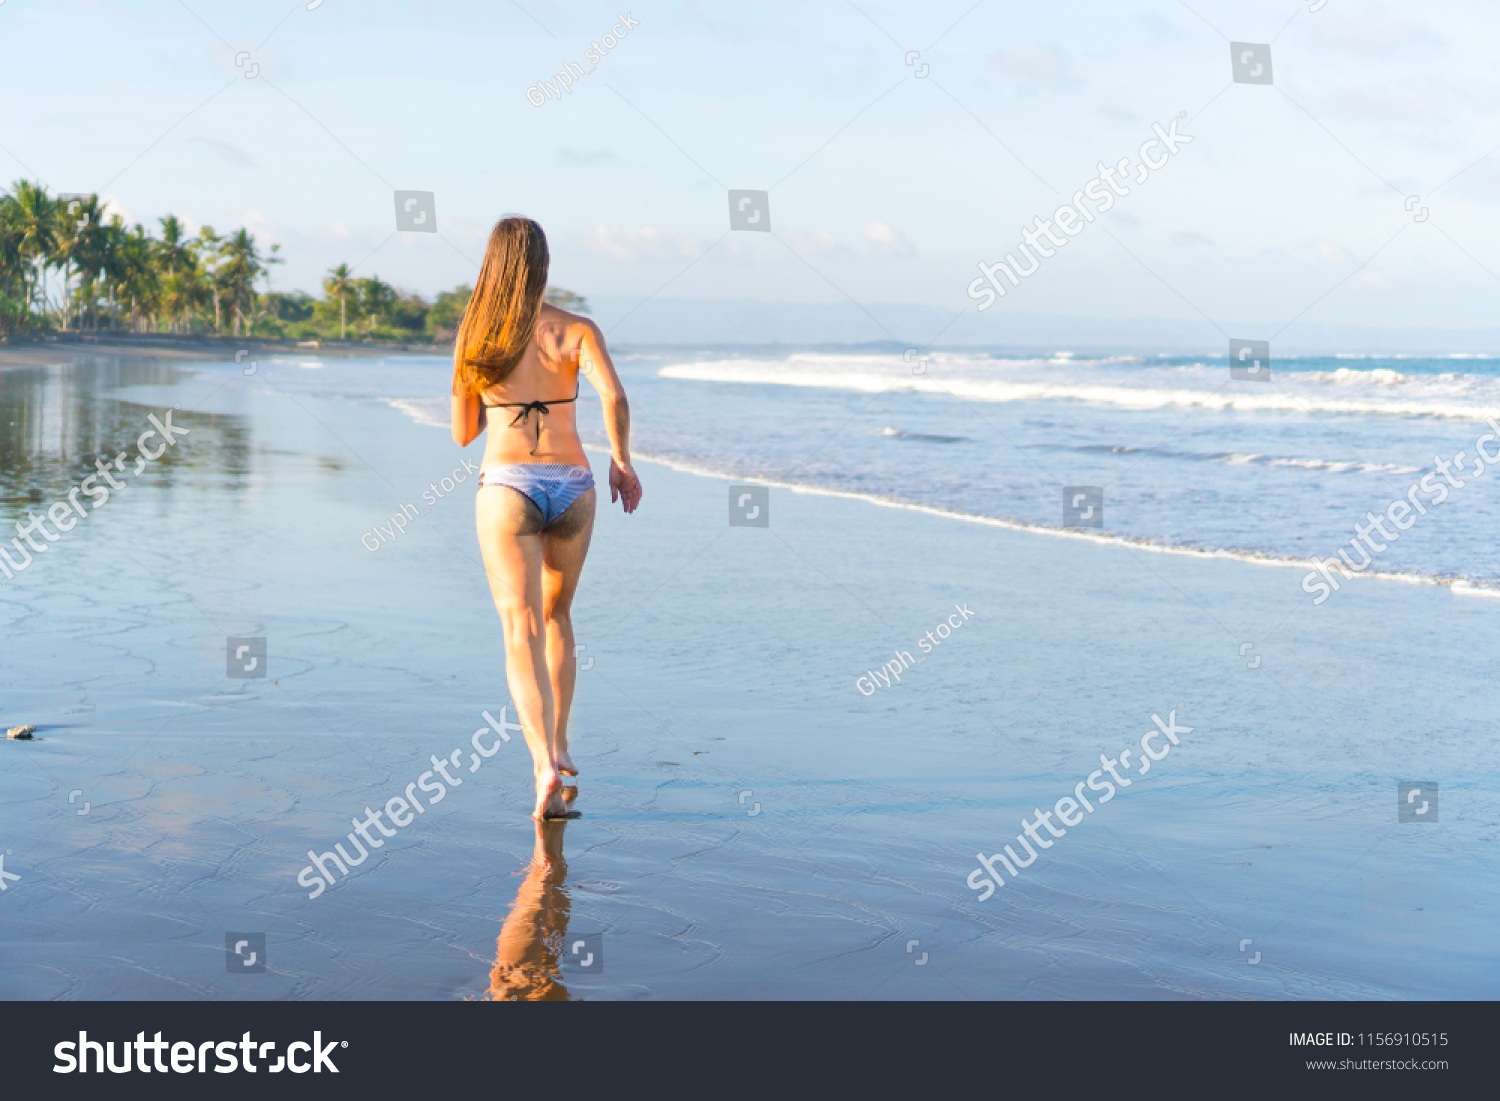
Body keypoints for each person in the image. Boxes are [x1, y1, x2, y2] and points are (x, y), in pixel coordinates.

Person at [451, 216, 642, 820]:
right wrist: (622, 461)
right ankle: (559, 745)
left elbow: (463, 434)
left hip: (508, 484)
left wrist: (498, 397)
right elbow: (613, 396)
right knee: (559, 615)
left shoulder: (475, 334)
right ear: (543, 264)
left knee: (520, 627)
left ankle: (540, 768)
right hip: (575, 485)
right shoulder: (577, 329)